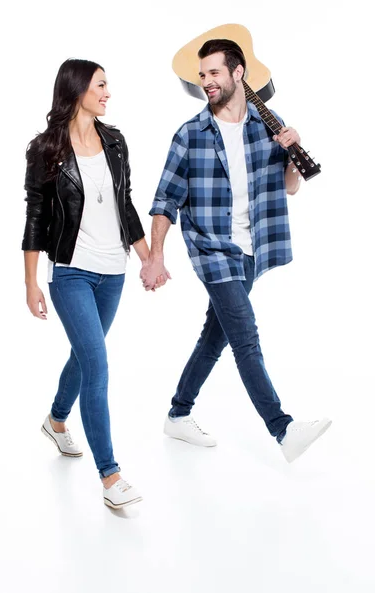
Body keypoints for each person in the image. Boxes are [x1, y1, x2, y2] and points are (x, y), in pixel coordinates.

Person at [141, 39, 331, 463]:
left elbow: (289, 187)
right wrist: (156, 257)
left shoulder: (266, 122)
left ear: (237, 73)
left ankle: (178, 413)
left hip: (252, 250)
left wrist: (290, 153)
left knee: (216, 336)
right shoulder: (191, 134)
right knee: (245, 337)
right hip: (212, 250)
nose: (206, 81)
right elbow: (164, 201)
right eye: (202, 74)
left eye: (213, 73)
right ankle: (283, 431)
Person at [22, 58, 149, 508]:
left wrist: (147, 257)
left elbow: (125, 203)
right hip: (71, 273)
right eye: (100, 85)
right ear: (78, 90)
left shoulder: (115, 141)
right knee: (97, 366)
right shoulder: (44, 150)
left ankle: (56, 420)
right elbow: (35, 218)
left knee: (84, 354)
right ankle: (110, 477)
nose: (108, 92)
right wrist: (32, 282)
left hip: (114, 272)